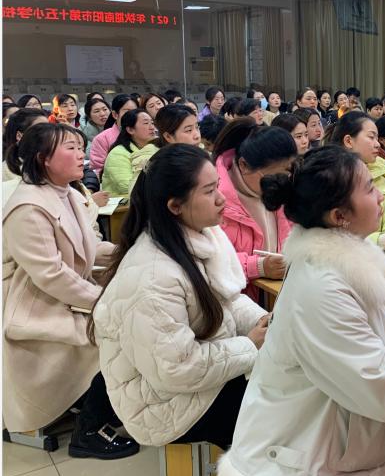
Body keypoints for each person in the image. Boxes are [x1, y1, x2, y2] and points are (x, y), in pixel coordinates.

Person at [217, 146, 385, 476]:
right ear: (340, 216)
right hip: (298, 463)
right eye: (369, 189)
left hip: (340, 438)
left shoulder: (354, 257)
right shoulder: (321, 287)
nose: (381, 195)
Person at [92, 144, 269, 449]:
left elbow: (226, 298)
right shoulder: (153, 276)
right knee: (284, 413)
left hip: (193, 378)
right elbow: (177, 369)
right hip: (164, 405)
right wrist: (249, 344)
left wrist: (261, 320)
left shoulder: (200, 235)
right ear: (175, 206)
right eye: (209, 191)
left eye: (218, 186)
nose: (222, 198)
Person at [3, 123, 137, 459]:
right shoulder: (28, 208)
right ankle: (89, 430)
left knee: (129, 319)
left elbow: (89, 248)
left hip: (65, 295)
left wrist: (130, 252)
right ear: (43, 159)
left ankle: (103, 405)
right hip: (34, 305)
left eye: (81, 147)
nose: (82, 155)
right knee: (115, 334)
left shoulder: (69, 194)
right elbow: (51, 275)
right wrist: (102, 302)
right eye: (71, 148)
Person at [212, 119, 296, 301]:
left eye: (286, 173)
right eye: (273, 177)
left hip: (278, 296)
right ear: (243, 165)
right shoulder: (216, 199)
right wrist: (258, 267)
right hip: (237, 303)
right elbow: (210, 263)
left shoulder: (283, 188)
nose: (280, 182)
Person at [329, 112, 385, 251]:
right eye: (371, 137)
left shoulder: (383, 172)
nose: (377, 144)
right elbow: (333, 234)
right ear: (348, 141)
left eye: (377, 138)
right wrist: (383, 240)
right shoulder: (332, 178)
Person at [127, 104, 201, 193]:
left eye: (197, 127)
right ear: (168, 136)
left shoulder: (200, 151)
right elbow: (137, 194)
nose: (197, 135)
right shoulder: (150, 159)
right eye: (188, 130)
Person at [101, 110, 157, 195]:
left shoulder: (156, 148)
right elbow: (127, 187)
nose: (152, 127)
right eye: (146, 123)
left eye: (152, 123)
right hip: (125, 202)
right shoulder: (118, 154)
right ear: (130, 130)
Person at [89, 94, 138, 175]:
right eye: (127, 111)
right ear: (115, 114)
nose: (133, 115)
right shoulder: (102, 139)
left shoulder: (145, 133)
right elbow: (98, 169)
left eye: (135, 111)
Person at [3, 108, 49, 180]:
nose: (49, 133)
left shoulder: (52, 161)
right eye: (40, 129)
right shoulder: (5, 173)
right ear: (19, 135)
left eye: (49, 128)